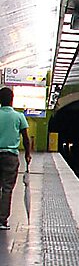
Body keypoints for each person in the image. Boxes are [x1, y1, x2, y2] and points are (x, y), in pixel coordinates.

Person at [0, 87, 33, 231]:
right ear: (12, 100)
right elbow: (26, 138)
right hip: (10, 156)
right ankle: (2, 220)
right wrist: (27, 154)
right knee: (7, 189)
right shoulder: (19, 117)